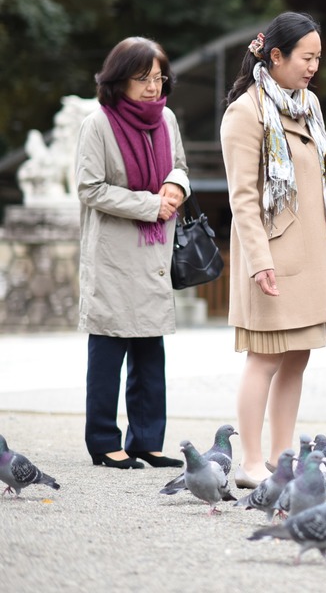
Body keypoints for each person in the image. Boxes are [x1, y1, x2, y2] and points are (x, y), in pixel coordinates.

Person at [220, 12, 326, 488]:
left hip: (311, 250)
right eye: (307, 58)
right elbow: (242, 197)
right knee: (264, 356)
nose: (313, 68)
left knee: (299, 354)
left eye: (319, 59)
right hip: (273, 255)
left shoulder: (309, 105)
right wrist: (259, 260)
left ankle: (283, 457)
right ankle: (249, 461)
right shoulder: (246, 111)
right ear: (276, 56)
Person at [76, 37, 189, 470]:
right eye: (143, 79)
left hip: (155, 252)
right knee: (108, 351)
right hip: (114, 255)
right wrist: (149, 204)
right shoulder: (97, 124)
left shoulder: (167, 120)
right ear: (118, 79)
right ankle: (104, 441)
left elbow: (178, 165)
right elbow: (90, 188)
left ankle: (147, 440)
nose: (152, 88)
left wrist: (176, 187)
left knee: (149, 353)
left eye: (158, 78)